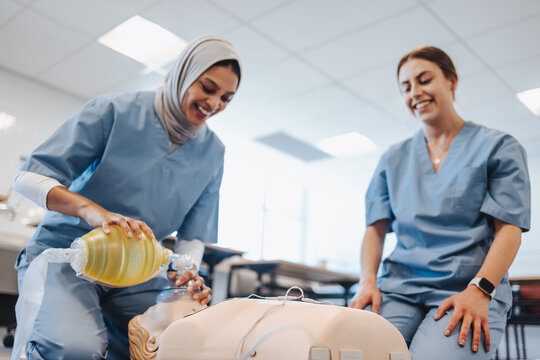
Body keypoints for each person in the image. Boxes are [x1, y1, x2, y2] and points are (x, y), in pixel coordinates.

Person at [11, 36, 241, 359]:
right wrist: (92, 211)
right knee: (76, 349)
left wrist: (186, 272)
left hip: (137, 273)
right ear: (184, 75)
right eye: (207, 87)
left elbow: (193, 235)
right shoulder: (114, 111)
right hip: (67, 256)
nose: (214, 103)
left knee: (173, 344)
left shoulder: (213, 153)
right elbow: (26, 178)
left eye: (226, 98)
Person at [349, 46, 530, 360]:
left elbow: (509, 229)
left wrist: (481, 289)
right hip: (400, 287)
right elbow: (375, 229)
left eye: (424, 80)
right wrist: (367, 281)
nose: (415, 92)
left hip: (467, 286)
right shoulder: (393, 159)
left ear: (451, 81)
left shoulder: (498, 147)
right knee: (356, 350)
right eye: (406, 87)